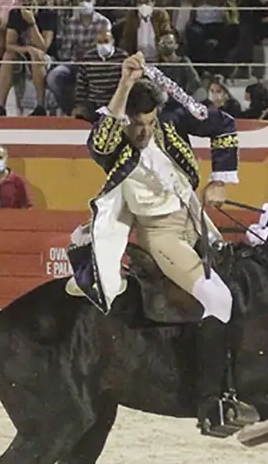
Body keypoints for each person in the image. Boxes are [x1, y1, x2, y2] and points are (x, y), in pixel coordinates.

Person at [71, 52, 255, 438]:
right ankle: (211, 405)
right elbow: (101, 142)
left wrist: (221, 178)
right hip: (161, 233)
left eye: (150, 123)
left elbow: (223, 124)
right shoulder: (113, 139)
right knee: (218, 298)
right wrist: (123, 82)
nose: (144, 132)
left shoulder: (169, 121)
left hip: (196, 221)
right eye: (137, 124)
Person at [0, 0, 56, 117]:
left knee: (36, 56)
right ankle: (0, 106)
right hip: (24, 53)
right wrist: (28, 48)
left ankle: (40, 105)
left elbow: (44, 46)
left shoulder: (48, 14)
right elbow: (9, 44)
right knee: (8, 56)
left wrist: (32, 23)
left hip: (46, 56)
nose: (26, 1)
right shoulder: (15, 14)